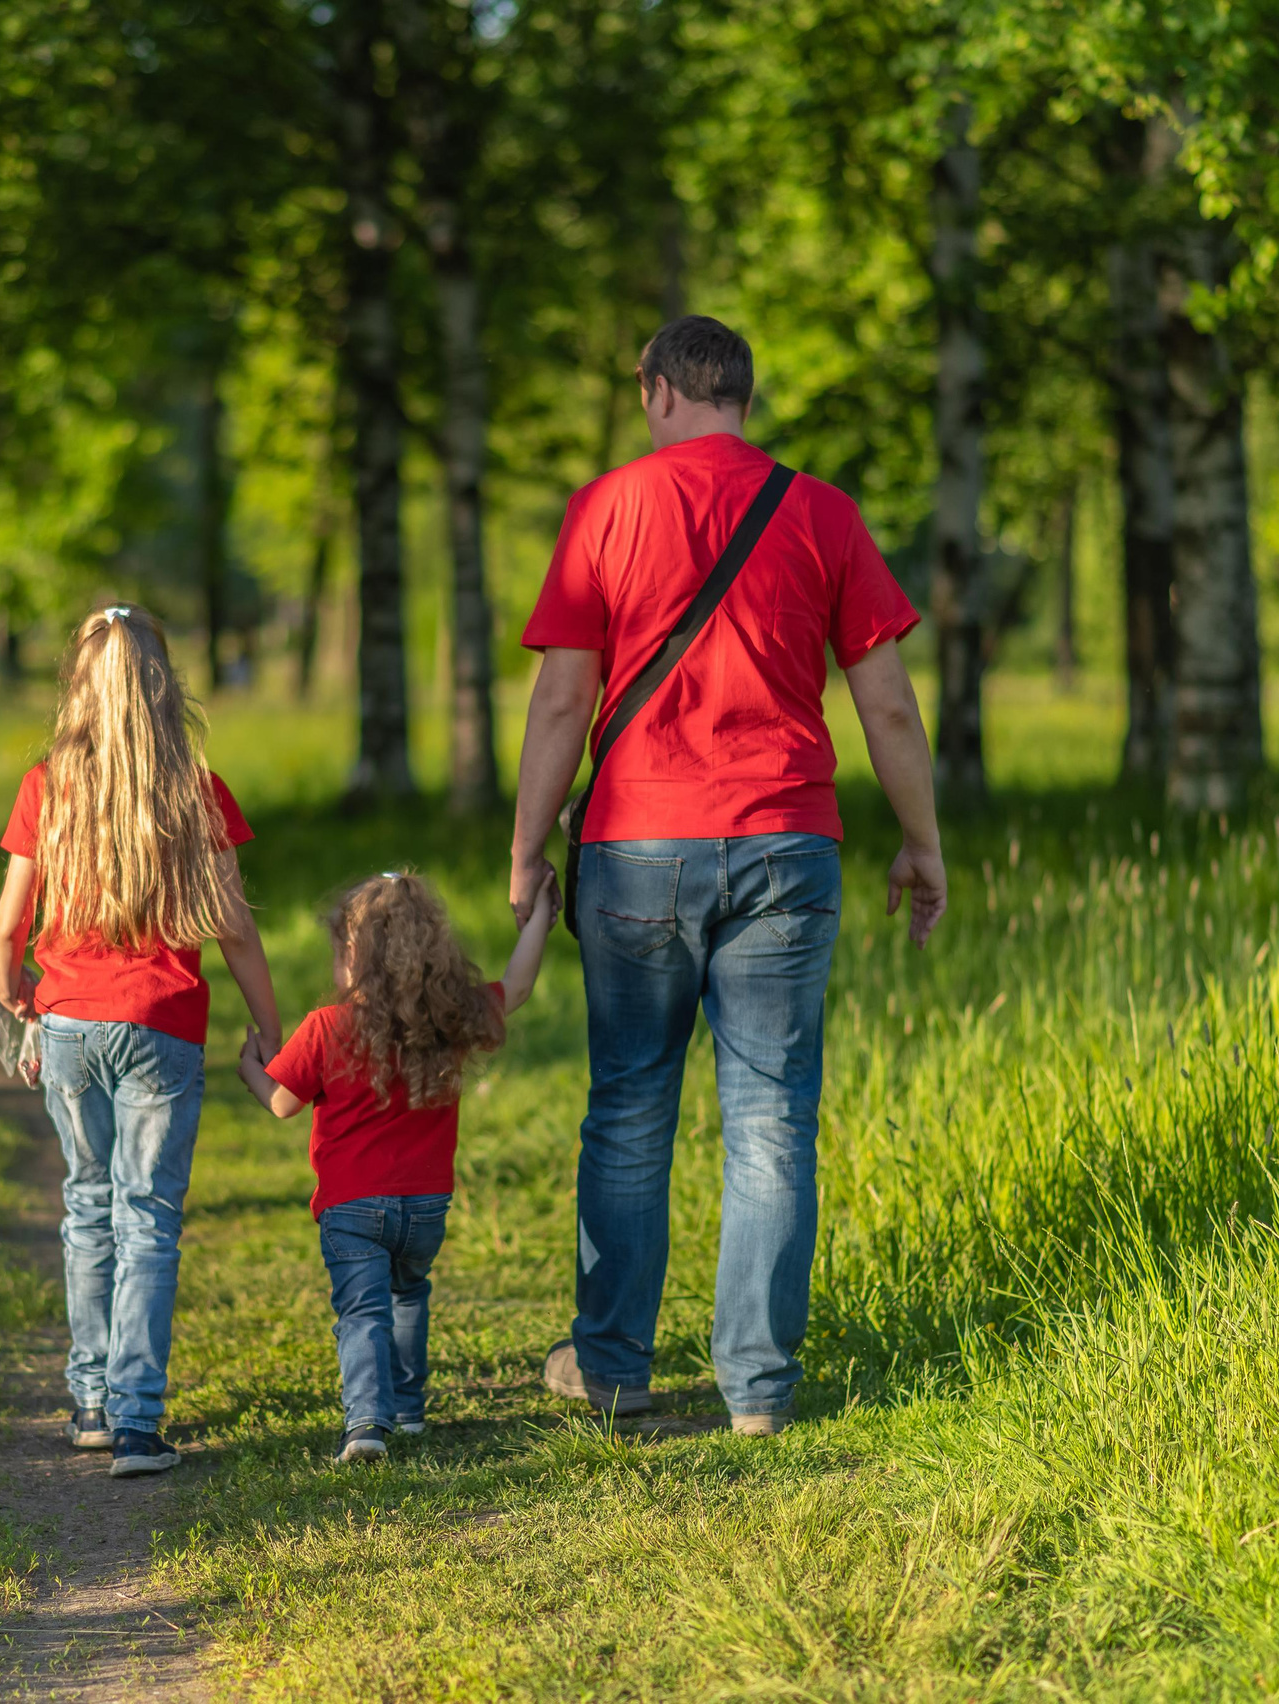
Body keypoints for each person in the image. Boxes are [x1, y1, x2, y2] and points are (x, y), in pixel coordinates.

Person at [508, 315, 948, 1435]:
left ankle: (609, 1367)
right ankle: (756, 1390)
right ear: (742, 398)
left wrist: (523, 847)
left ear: (657, 391)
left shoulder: (608, 507)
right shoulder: (821, 512)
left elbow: (563, 697)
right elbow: (887, 701)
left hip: (636, 847)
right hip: (784, 847)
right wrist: (921, 841)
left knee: (627, 1110)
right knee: (769, 1121)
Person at [0, 605, 284, 1478]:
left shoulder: (47, 789)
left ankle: (88, 1401)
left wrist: (21, 1012)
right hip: (162, 1027)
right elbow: (235, 932)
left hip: (71, 1026)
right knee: (148, 1218)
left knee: (87, 1205)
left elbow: (7, 934)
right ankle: (139, 1422)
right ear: (165, 688)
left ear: (76, 688)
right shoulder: (195, 790)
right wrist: (271, 1031)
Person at [235, 871, 558, 1463]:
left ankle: (366, 1423)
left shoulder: (326, 1027)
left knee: (363, 1309)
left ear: (354, 956)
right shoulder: (449, 1021)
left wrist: (251, 1065)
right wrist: (540, 916)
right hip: (426, 1205)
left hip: (352, 1208)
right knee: (409, 1295)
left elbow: (281, 1102)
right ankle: (407, 1409)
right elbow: (519, 984)